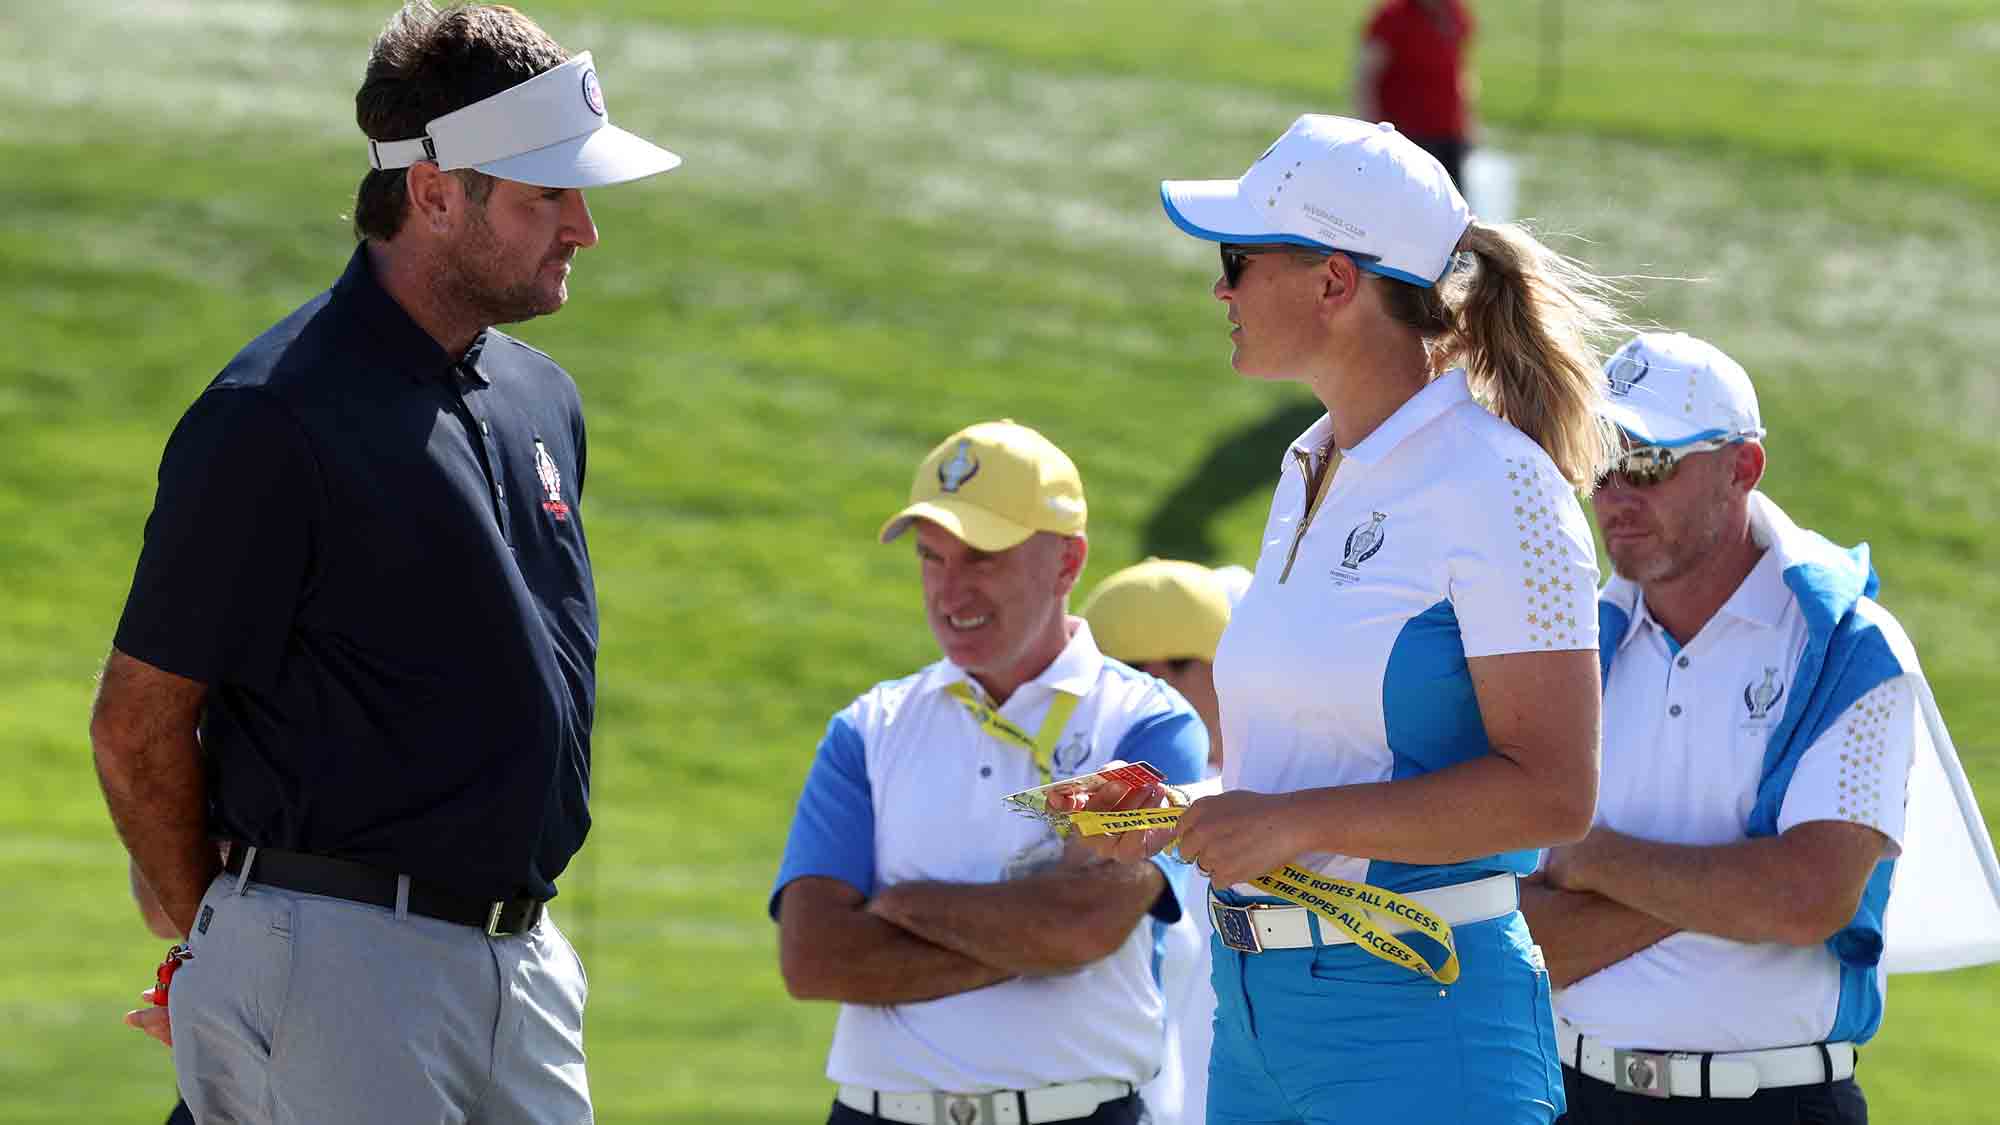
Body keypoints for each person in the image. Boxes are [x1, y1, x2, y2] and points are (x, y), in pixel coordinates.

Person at [87, 3, 681, 1120]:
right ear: (434, 190)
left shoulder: (542, 397)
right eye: (546, 194)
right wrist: (225, 942)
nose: (584, 228)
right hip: (340, 966)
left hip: (527, 964)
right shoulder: (272, 418)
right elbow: (135, 722)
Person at [1074, 112, 1630, 1124]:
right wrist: (1179, 812)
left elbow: (1554, 794)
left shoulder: (1498, 483)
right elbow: (1312, 769)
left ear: (1335, 281)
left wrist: (1288, 823)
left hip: (1416, 1015)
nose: (1218, 287)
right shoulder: (1305, 465)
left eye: (1237, 260)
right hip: (1252, 1021)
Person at [1518, 332, 1926, 1123]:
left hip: (1774, 1104)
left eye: (1649, 462)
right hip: (1572, 1096)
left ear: (1742, 467)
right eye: (1601, 460)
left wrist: (1591, 860)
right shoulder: (1569, 642)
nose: (1615, 493)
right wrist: (1735, 890)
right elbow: (1527, 935)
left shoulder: (1849, 643)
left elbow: (1808, 899)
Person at [771, 420, 1210, 1125]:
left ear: (1068, 562)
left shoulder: (1151, 724)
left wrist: (903, 906)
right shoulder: (866, 727)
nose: (951, 590)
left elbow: (1085, 925)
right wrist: (1034, 936)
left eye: (983, 556)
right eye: (931, 557)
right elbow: (815, 956)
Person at [1080, 559, 1241, 1125]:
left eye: (1181, 663)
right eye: (1130, 667)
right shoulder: (1067, 824)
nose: (1159, 686)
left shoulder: (1283, 807)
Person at [1354, 0, 1476, 185]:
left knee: (1452, 203)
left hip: (1449, 133)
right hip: (1406, 137)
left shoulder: (1454, 11)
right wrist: (1372, 131)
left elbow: (1460, 69)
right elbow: (1366, 77)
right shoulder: (1392, 16)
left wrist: (1468, 121)